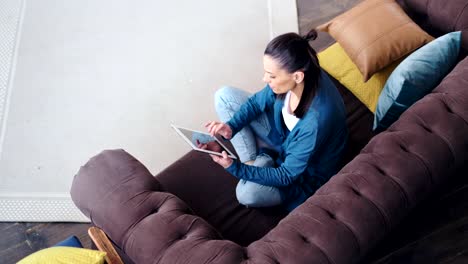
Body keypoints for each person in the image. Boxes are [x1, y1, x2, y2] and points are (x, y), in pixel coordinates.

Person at [204, 29, 348, 212]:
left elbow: (286, 175)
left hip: (303, 173)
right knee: (224, 96)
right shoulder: (299, 72)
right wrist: (231, 127)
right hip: (282, 139)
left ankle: (258, 163)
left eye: (272, 76)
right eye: (267, 73)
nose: (265, 79)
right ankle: (255, 162)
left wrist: (235, 168)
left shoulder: (316, 122)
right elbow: (257, 102)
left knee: (246, 194)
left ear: (297, 76)